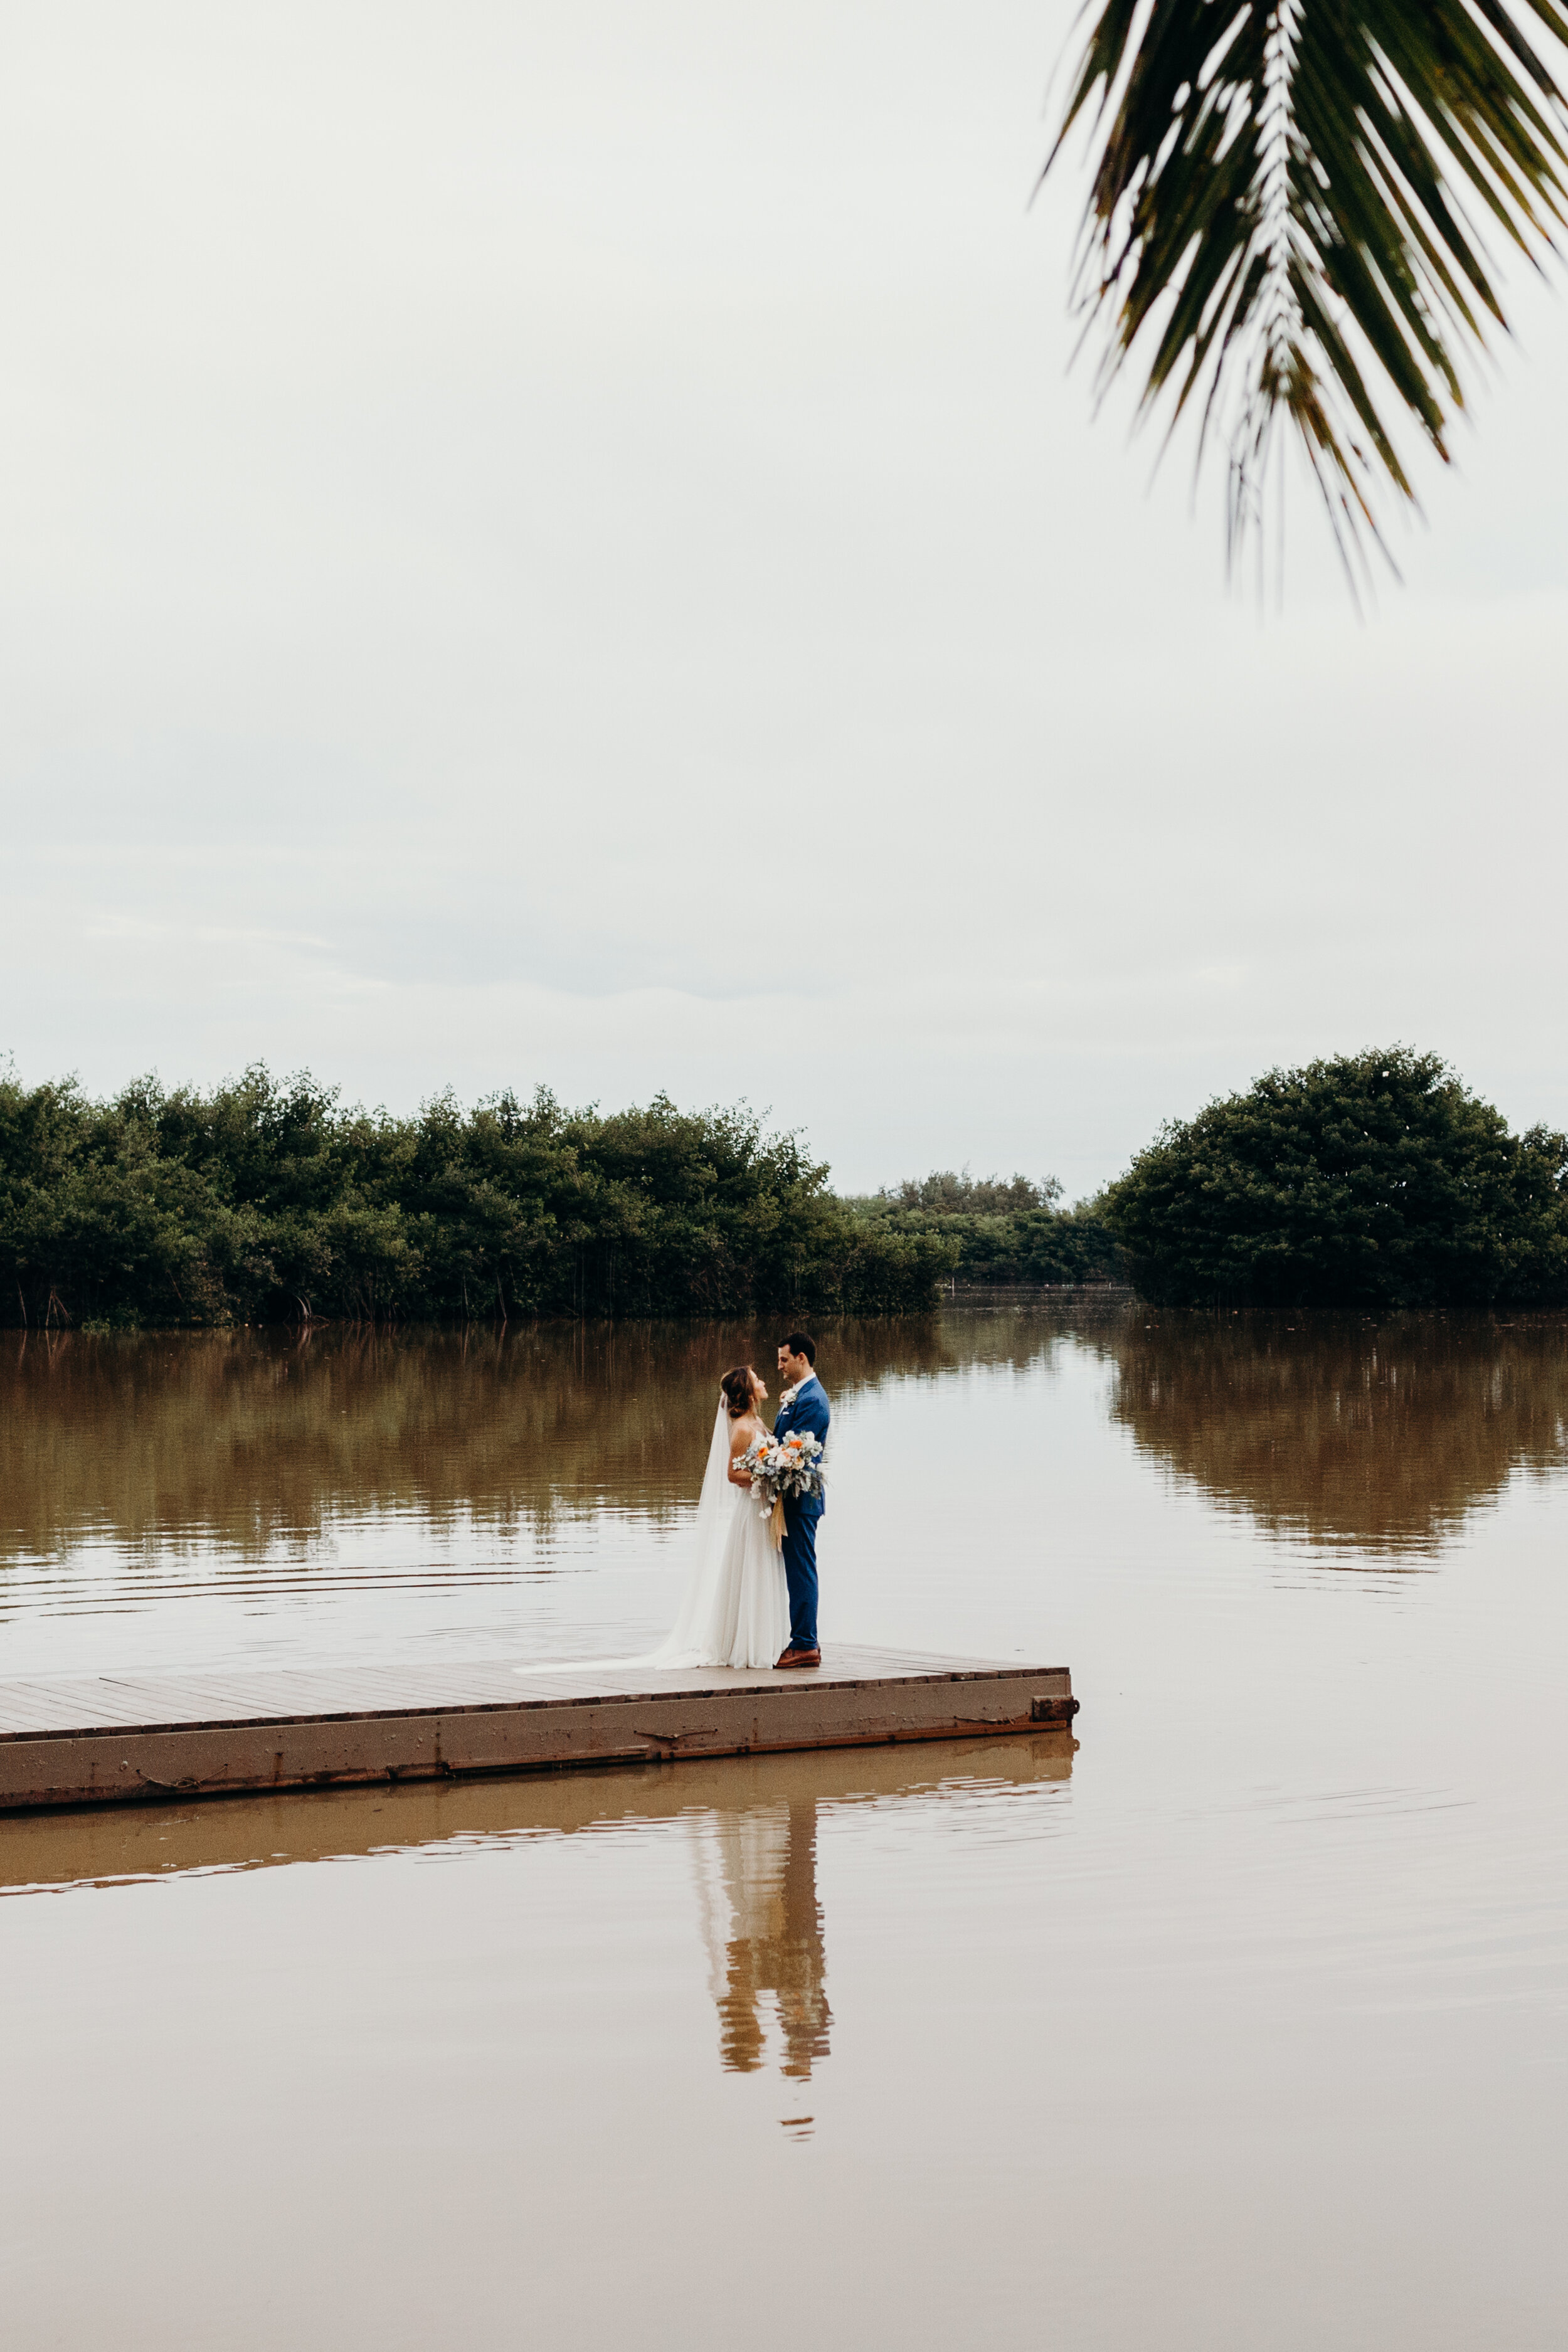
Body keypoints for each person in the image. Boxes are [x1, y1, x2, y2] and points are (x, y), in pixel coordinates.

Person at [643, 1364, 791, 1671]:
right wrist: (768, 1475)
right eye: (756, 1379)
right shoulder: (742, 1429)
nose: (763, 1381)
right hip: (751, 1512)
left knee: (764, 1572)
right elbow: (732, 1473)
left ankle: (767, 1640)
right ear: (749, 1392)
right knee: (754, 1571)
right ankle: (748, 1646)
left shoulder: (758, 1422)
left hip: (764, 1509)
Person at [771, 1332, 829, 1668]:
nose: (779, 1365)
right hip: (792, 1496)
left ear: (801, 1358)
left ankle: (806, 1644)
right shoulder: (800, 1395)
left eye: (784, 1359)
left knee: (802, 1569)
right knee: (797, 1568)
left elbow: (796, 1455)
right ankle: (803, 1639)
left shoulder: (812, 1401)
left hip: (802, 1496)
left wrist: (766, 1461)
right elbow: (784, 1441)